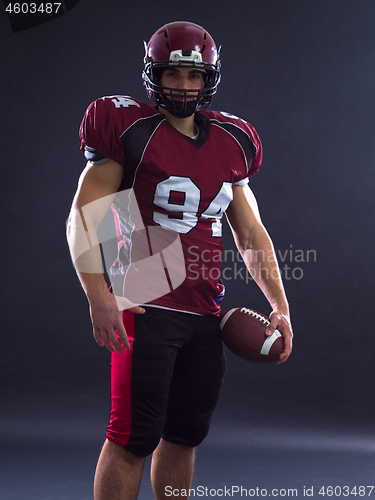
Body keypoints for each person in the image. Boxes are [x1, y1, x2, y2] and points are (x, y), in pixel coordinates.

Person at [66, 21, 293, 500]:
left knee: (184, 437)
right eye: (173, 75)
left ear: (209, 78)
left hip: (205, 311)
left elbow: (250, 232)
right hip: (145, 300)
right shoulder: (128, 127)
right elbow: (86, 216)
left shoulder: (232, 139)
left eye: (193, 77)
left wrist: (281, 303)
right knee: (131, 440)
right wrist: (99, 293)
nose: (184, 86)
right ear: (154, 75)